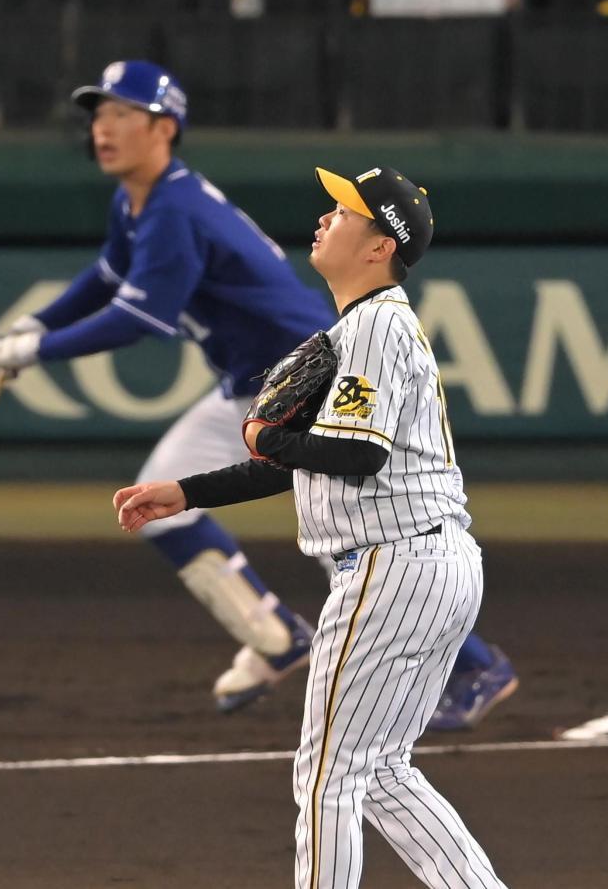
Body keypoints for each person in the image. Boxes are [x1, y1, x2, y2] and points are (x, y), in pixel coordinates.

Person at [0, 57, 516, 730]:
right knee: (161, 494)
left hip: (308, 375)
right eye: (98, 114)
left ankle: (474, 662)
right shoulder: (139, 203)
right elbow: (105, 278)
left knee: (354, 532)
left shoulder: (173, 210)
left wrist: (37, 350)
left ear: (164, 127)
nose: (103, 127)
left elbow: (138, 316)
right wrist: (35, 325)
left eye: (121, 114)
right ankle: (276, 633)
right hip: (252, 384)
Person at [114, 166, 509, 888]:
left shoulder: (376, 328)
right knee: (380, 769)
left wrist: (266, 438)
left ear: (379, 246)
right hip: (432, 564)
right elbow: (309, 463)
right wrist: (186, 490)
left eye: (347, 211)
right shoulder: (364, 329)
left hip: (395, 570)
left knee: (326, 774)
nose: (326, 217)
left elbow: (357, 454)